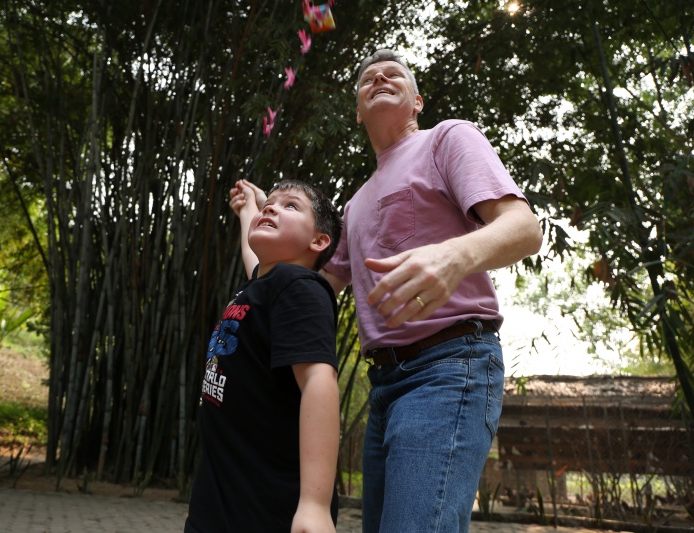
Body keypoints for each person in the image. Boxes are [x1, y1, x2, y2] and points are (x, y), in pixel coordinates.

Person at [231, 49, 543, 532]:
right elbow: (288, 286)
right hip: (386, 386)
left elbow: (524, 229)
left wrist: (453, 256)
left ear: (417, 100)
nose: (378, 77)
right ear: (358, 111)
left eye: (392, 74)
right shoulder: (355, 206)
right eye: (367, 78)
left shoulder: (447, 139)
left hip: (448, 366)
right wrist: (252, 216)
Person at [185, 179, 344, 533]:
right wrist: (247, 209)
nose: (270, 208)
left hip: (269, 508)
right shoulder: (262, 285)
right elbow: (252, 258)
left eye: (290, 206)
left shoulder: (299, 285)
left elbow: (319, 380)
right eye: (269, 203)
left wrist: (315, 505)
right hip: (221, 501)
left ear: (318, 241)